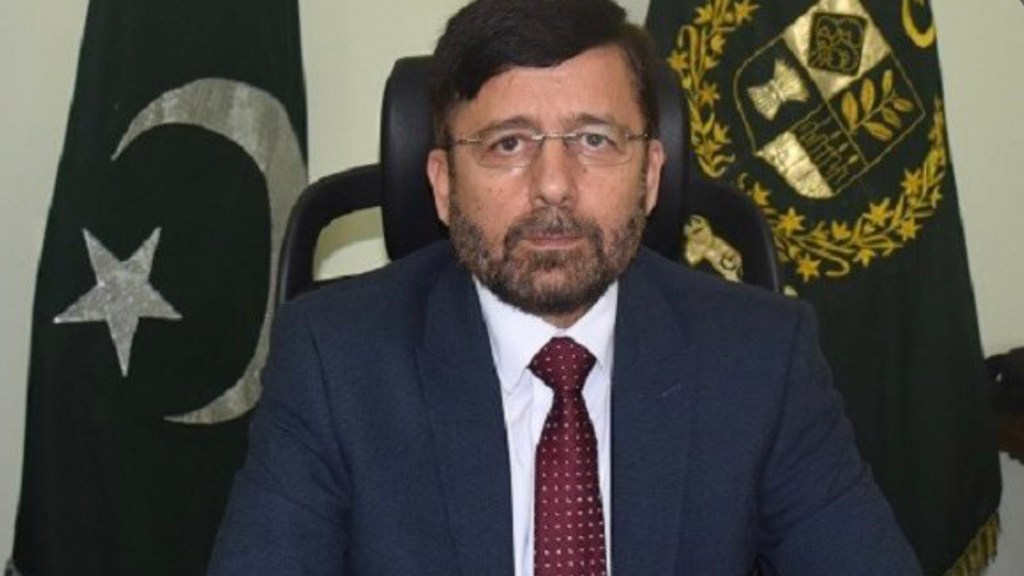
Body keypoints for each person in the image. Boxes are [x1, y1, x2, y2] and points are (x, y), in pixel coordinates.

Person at [208, 0, 922, 574]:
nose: (554, 185)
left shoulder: (761, 358)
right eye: (508, 143)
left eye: (594, 140)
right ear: (443, 184)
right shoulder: (335, 361)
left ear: (650, 176)